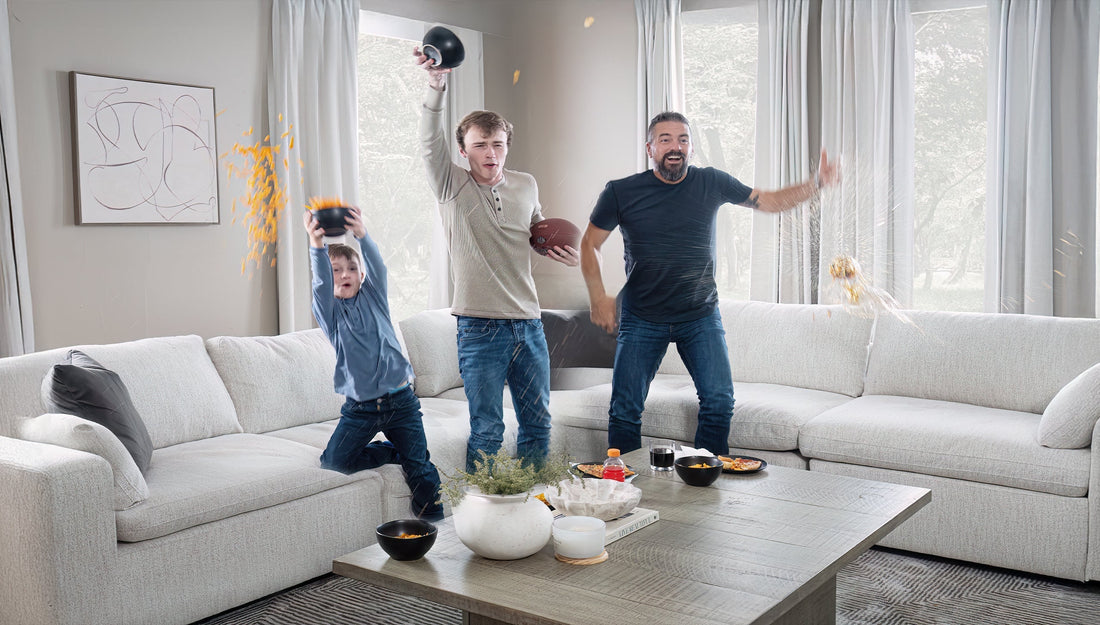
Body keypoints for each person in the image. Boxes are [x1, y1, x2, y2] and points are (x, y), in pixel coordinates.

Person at [581, 111, 840, 455]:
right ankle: (627, 487)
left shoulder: (711, 182)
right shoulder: (621, 192)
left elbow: (771, 200)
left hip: (699, 315)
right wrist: (598, 296)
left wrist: (816, 183)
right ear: (649, 148)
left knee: (719, 402)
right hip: (642, 317)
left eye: (683, 139)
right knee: (625, 409)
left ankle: (705, 479)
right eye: (666, 139)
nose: (675, 147)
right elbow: (589, 244)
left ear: (691, 148)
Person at [414, 48, 579, 472]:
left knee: (538, 423)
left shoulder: (526, 184)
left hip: (528, 322)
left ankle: (532, 504)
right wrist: (435, 87)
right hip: (480, 327)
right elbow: (429, 144)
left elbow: (537, 228)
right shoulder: (451, 184)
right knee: (488, 427)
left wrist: (554, 247)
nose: (491, 153)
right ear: (464, 150)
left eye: (498, 144)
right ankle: (483, 518)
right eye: (480, 145)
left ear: (508, 147)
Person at [304, 207, 444, 522]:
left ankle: (434, 520)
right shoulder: (331, 314)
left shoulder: (375, 298)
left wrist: (363, 235)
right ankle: (388, 451)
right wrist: (316, 245)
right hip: (361, 409)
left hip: (402, 402)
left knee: (420, 466)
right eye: (336, 270)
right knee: (334, 463)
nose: (343, 275)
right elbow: (320, 283)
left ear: (362, 275)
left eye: (351, 268)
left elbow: (378, 265)